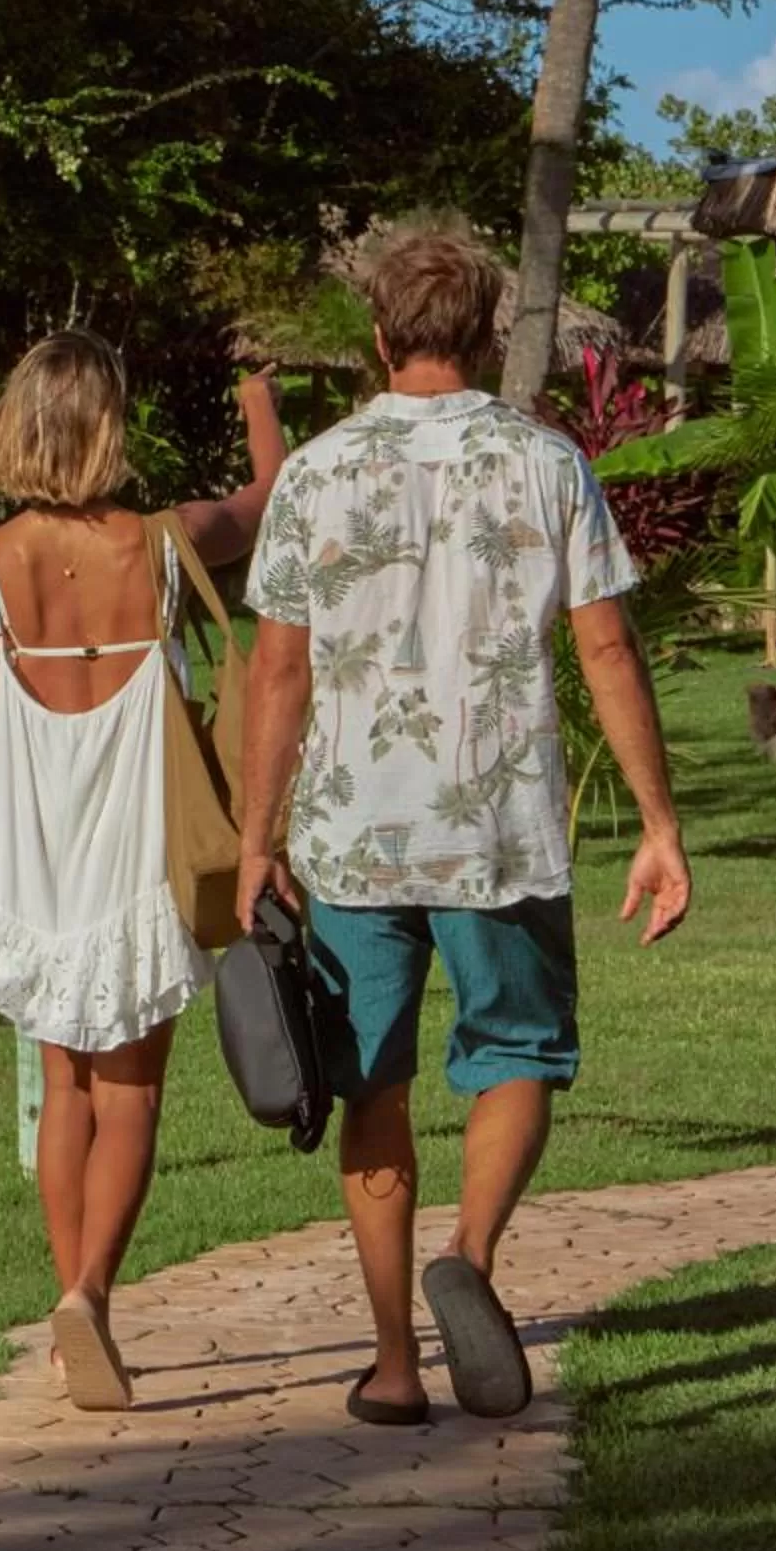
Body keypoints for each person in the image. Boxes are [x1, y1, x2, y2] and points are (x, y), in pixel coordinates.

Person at [234, 228, 690, 1427]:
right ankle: (469, 1261)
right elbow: (603, 646)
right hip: (499, 826)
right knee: (516, 1057)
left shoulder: (314, 475)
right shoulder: (547, 463)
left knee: (368, 1085)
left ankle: (390, 1365)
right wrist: (656, 821)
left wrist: (253, 838)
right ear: (485, 333)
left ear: (376, 339)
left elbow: (275, 672)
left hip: (350, 834)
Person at [0, 334, 285, 1413]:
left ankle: (65, 1309)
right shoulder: (165, 542)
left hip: (32, 850)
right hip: (142, 839)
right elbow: (271, 496)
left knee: (65, 1091)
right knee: (131, 1089)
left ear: (16, 426)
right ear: (107, 430)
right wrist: (256, 392)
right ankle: (91, 1293)